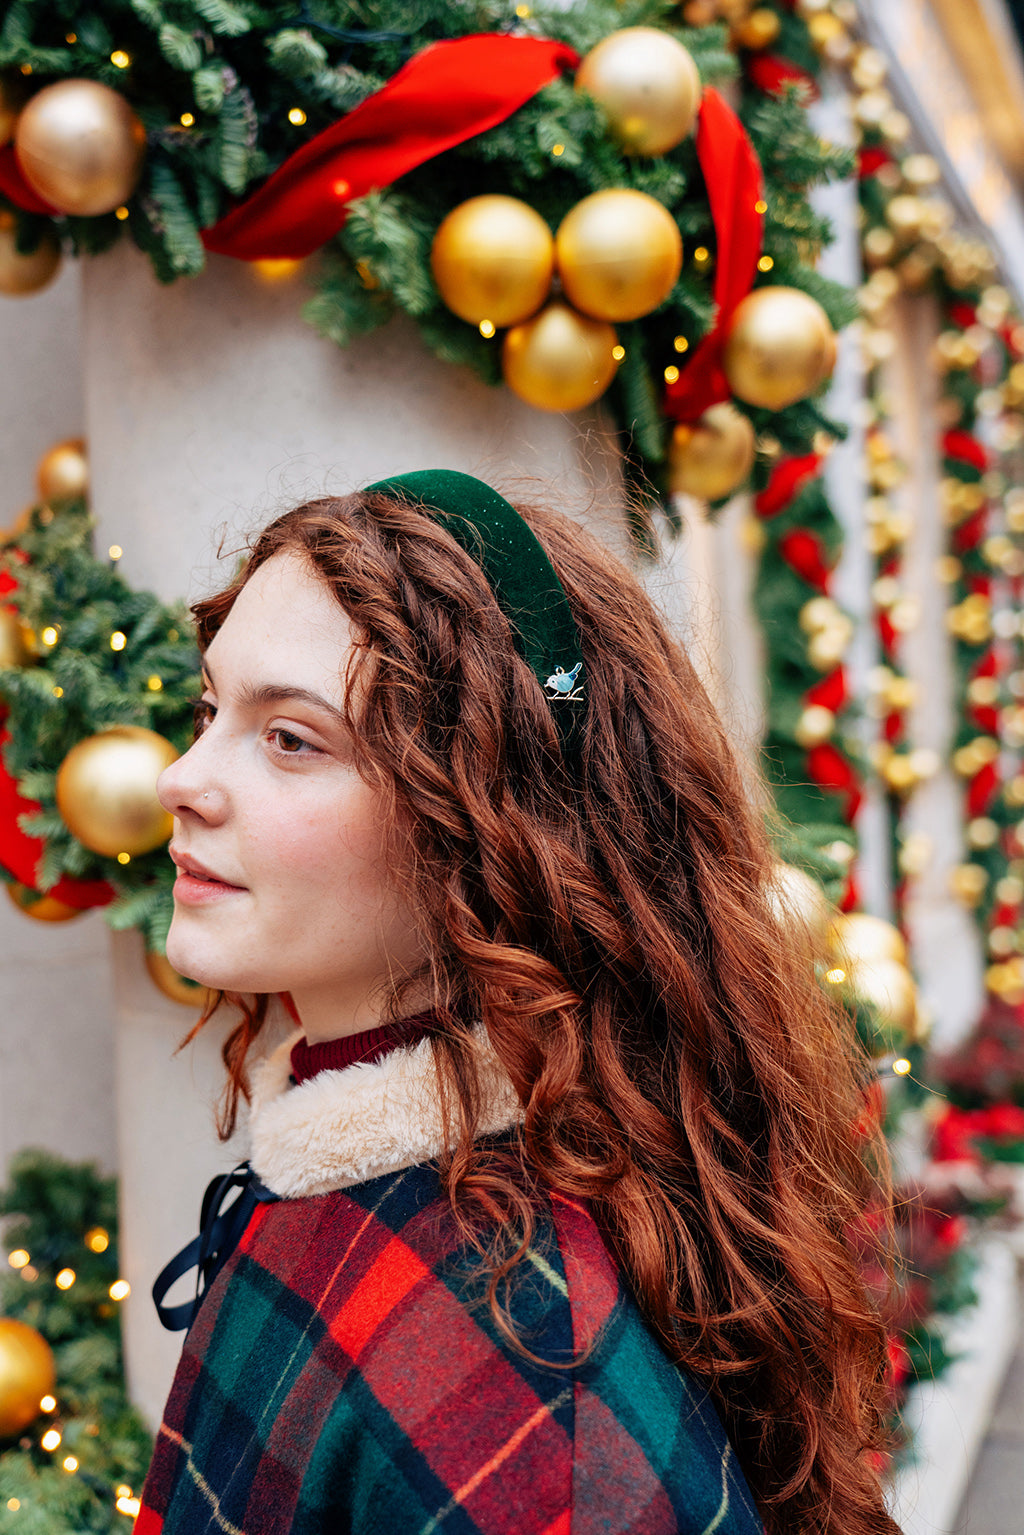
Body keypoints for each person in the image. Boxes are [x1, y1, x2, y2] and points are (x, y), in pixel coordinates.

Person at [137, 470, 900, 1535]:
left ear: (492, 821)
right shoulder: (354, 1170)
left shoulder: (526, 1380)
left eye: (291, 738)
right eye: (211, 709)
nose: (181, 775)